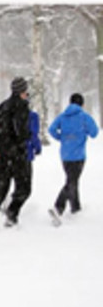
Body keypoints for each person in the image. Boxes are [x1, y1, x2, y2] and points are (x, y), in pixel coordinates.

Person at [0, 77, 33, 226]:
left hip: (2, 155)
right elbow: (21, 132)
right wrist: (26, 138)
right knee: (24, 188)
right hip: (17, 155)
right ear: (22, 91)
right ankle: (11, 215)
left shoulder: (1, 107)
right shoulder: (22, 107)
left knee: (0, 190)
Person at [48, 93, 99, 225]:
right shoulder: (84, 117)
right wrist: (83, 133)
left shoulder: (62, 116)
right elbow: (94, 133)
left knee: (72, 180)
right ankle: (58, 207)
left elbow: (52, 129)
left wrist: (62, 138)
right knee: (72, 181)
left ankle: (76, 208)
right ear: (81, 104)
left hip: (65, 155)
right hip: (78, 155)